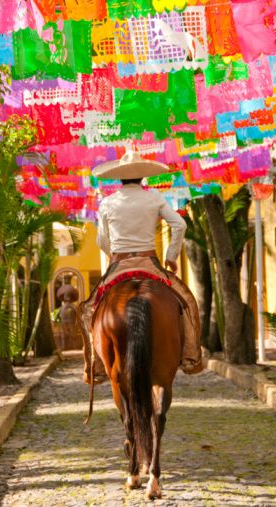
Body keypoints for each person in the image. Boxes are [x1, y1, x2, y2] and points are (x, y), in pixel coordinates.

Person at [80, 151, 203, 383]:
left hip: (118, 265)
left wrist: (113, 255)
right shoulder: (154, 197)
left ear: (120, 178)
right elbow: (179, 224)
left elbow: (101, 241)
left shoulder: (108, 202)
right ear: (142, 178)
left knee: (89, 310)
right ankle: (190, 355)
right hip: (150, 263)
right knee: (185, 301)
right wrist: (171, 256)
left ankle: (95, 365)